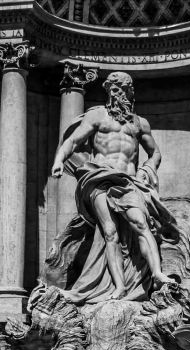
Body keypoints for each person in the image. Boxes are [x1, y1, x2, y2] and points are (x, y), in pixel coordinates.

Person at [49, 71, 178, 304]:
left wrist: (146, 169)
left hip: (129, 181)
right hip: (99, 177)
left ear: (129, 91)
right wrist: (59, 159)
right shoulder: (98, 115)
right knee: (110, 232)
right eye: (111, 90)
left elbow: (155, 152)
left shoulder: (140, 123)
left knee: (141, 223)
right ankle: (118, 287)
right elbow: (73, 141)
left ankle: (157, 273)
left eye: (119, 89)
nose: (115, 94)